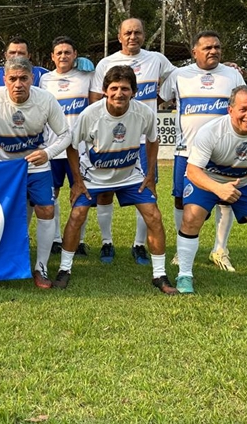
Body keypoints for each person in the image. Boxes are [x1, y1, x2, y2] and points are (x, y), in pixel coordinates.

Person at [55, 65, 177, 294]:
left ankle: (159, 274)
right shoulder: (90, 114)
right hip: (94, 176)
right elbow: (71, 147)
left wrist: (150, 174)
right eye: (114, 88)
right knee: (77, 215)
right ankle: (64, 269)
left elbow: (153, 140)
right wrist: (78, 181)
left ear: (134, 91)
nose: (119, 93)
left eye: (125, 88)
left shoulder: (144, 113)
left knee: (154, 215)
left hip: (130, 175)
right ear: (104, 90)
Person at [176, 85, 247, 299]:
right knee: (191, 217)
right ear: (230, 110)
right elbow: (193, 171)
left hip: (245, 182)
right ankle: (184, 275)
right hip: (208, 180)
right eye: (243, 109)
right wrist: (218, 188)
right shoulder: (211, 131)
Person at [0, 56, 70, 289]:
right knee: (0, 214)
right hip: (5, 167)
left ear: (32, 79)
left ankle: (41, 267)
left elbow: (66, 134)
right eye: (13, 79)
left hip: (37, 166)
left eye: (23, 78)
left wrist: (47, 153)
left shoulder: (46, 100)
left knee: (46, 209)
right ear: (5, 81)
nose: (18, 84)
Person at [89, 17, 174, 266]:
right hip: (109, 140)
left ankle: (139, 245)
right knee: (104, 193)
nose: (132, 37)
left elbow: (179, 77)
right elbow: (96, 98)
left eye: (137, 32)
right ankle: (106, 242)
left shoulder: (157, 59)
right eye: (128, 33)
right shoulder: (106, 63)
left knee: (145, 191)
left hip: (143, 140)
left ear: (144, 35)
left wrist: (157, 101)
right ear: (119, 36)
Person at [159, 31, 245, 272]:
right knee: (180, 199)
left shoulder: (233, 74)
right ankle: (181, 248)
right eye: (207, 48)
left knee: (225, 199)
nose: (213, 51)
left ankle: (220, 250)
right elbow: (160, 96)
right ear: (194, 52)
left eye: (217, 47)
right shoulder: (179, 75)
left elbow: (243, 107)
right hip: (186, 151)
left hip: (224, 152)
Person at [40, 36, 92, 255]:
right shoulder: (44, 80)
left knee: (82, 192)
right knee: (52, 194)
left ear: (75, 55)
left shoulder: (87, 76)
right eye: (59, 52)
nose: (63, 56)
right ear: (52, 57)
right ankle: (55, 239)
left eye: (67, 52)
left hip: (80, 148)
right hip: (53, 148)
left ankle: (78, 240)